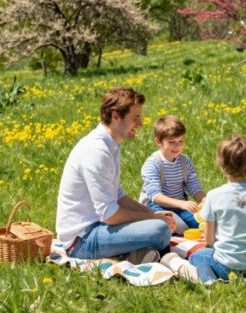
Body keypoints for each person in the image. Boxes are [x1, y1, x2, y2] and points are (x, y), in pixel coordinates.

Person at [55, 87, 175, 262]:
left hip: (101, 227)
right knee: (160, 230)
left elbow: (118, 196)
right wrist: (152, 218)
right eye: (135, 118)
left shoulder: (111, 144)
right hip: (83, 240)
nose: (140, 124)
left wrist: (152, 212)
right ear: (115, 116)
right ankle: (128, 253)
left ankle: (132, 254)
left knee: (163, 220)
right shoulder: (97, 151)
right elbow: (110, 215)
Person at [162, 134, 246, 284]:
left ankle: (209, 280)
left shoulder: (214, 196)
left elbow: (210, 240)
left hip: (226, 266)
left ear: (221, 163)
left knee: (198, 257)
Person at [139, 115, 206, 232]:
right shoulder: (152, 164)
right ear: (158, 141)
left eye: (181, 141)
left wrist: (205, 200)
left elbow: (194, 187)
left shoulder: (185, 161)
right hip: (156, 207)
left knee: (200, 223)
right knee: (172, 226)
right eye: (172, 142)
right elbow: (155, 196)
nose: (177, 146)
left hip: (180, 206)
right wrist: (181, 204)